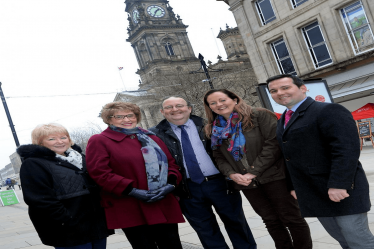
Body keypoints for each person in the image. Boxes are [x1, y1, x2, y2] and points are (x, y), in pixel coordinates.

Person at [267, 74, 374, 249]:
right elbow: (289, 156)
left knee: (358, 240)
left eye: (285, 88)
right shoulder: (284, 119)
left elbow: (346, 150)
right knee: (343, 240)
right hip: (314, 192)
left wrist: (339, 184)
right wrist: (293, 186)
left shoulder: (328, 110)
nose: (279, 93)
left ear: (303, 88)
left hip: (341, 190)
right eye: (274, 91)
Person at [203, 89, 312, 249]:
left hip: (275, 177)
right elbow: (218, 157)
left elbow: (273, 144)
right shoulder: (214, 129)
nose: (219, 105)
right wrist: (232, 174)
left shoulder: (259, 115)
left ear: (234, 99)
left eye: (222, 100)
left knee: (292, 218)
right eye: (213, 103)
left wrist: (253, 171)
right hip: (247, 183)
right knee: (271, 221)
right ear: (209, 107)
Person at [150, 96, 257, 249]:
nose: (175, 110)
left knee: (236, 223)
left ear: (189, 108)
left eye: (179, 105)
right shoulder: (154, 134)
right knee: (206, 230)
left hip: (220, 183)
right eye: (169, 107)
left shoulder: (210, 125)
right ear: (162, 111)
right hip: (188, 189)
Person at [85, 102, 184, 249]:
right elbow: (99, 173)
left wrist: (171, 184)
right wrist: (132, 190)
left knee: (172, 245)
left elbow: (171, 164)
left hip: (161, 201)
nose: (127, 119)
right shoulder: (100, 140)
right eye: (119, 116)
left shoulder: (151, 137)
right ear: (109, 119)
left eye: (130, 115)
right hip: (130, 205)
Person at [17, 123, 112, 249]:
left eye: (63, 137)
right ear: (40, 142)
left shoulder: (80, 157)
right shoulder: (33, 164)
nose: (60, 142)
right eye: (51, 139)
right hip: (68, 229)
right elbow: (39, 199)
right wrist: (67, 219)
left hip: (96, 224)